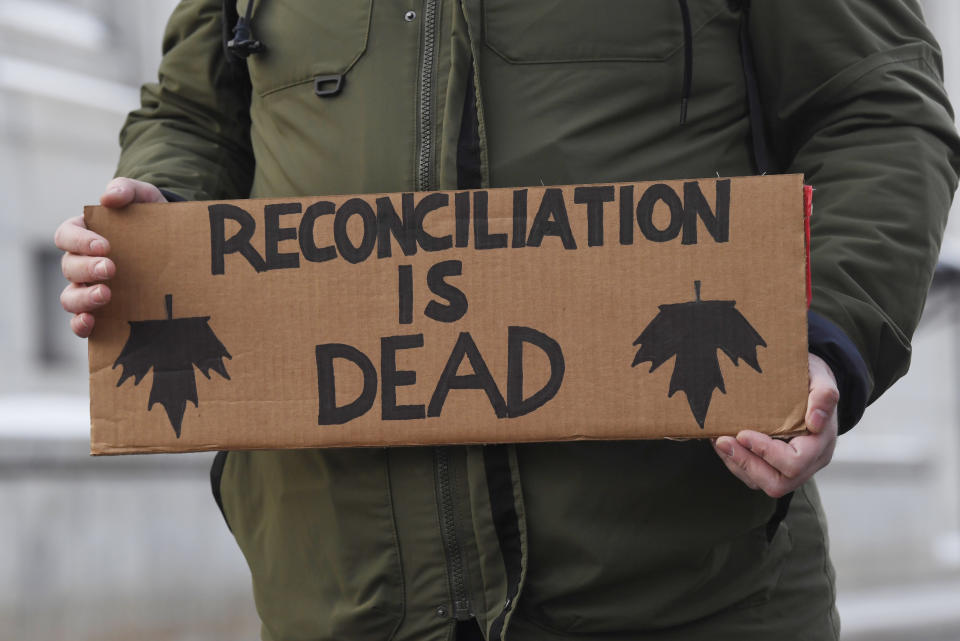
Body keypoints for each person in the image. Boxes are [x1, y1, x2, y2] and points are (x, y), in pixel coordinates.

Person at [54, 1, 959, 639]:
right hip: (341, 599)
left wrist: (828, 331)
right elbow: (195, 117)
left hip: (682, 598)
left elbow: (879, 110)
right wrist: (156, 214)